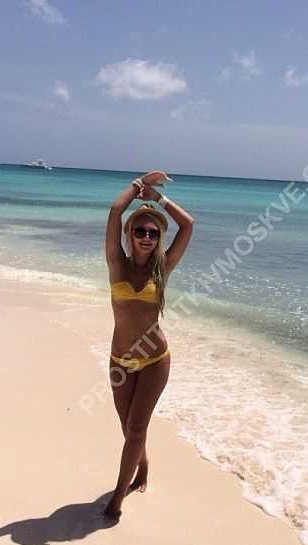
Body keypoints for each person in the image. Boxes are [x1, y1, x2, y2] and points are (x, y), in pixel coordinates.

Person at [103, 171, 194, 518]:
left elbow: (188, 225)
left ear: (158, 239)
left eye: (153, 233)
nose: (146, 237)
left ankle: (117, 498)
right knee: (128, 427)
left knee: (137, 428)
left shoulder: (163, 268)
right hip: (120, 362)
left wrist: (158, 199)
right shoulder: (116, 265)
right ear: (129, 234)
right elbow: (115, 211)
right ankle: (142, 465)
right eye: (140, 231)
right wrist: (138, 183)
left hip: (155, 360)